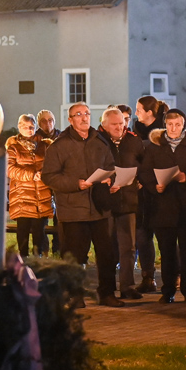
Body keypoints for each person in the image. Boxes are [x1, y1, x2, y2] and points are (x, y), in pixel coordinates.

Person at [42, 102, 124, 307]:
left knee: (106, 255)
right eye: (78, 114)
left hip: (99, 208)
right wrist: (75, 184)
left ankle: (107, 293)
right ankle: (75, 294)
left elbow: (110, 167)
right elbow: (49, 176)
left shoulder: (100, 141)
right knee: (75, 256)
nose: (84, 117)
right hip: (73, 210)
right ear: (70, 120)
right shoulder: (59, 145)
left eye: (86, 113)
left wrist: (110, 180)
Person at [140, 109, 186, 304]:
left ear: (184, 124)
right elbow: (144, 172)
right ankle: (167, 290)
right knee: (167, 252)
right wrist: (155, 186)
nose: (174, 128)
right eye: (170, 125)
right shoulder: (154, 147)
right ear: (165, 125)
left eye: (177, 124)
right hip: (163, 208)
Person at [99, 108, 145, 298]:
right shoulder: (98, 143)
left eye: (121, 123)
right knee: (107, 247)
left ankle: (127, 286)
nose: (120, 127)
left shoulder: (133, 141)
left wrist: (142, 179)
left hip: (128, 200)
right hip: (106, 203)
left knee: (129, 247)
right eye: (115, 124)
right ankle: (107, 288)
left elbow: (143, 163)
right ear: (104, 125)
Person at [133, 96, 168, 292]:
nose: (136, 113)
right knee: (142, 235)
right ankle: (148, 277)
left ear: (149, 113)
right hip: (141, 193)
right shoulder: (135, 132)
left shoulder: (163, 134)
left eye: (139, 109)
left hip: (160, 191)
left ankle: (173, 276)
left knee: (164, 235)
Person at [6, 114, 54, 257]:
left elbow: (52, 164)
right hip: (22, 195)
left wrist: (44, 174)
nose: (29, 130)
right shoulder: (13, 148)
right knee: (23, 229)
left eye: (32, 127)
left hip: (41, 194)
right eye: (25, 127)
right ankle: (23, 257)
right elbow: (10, 169)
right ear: (19, 127)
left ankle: (38, 257)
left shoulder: (44, 145)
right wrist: (31, 175)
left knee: (39, 230)